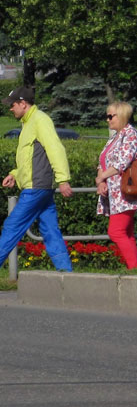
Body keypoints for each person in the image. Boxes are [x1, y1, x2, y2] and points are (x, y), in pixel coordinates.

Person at [0, 86, 74, 272]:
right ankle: (66, 273)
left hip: (36, 187)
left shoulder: (40, 120)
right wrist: (15, 174)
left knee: (12, 226)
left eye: (13, 105)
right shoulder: (28, 122)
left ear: (23, 104)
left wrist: (63, 179)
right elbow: (30, 159)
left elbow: (55, 148)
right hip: (39, 186)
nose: (10, 109)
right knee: (50, 230)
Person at [95, 101, 137, 269]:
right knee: (127, 233)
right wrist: (101, 179)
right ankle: (135, 269)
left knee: (116, 231)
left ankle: (134, 268)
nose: (108, 120)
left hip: (126, 191)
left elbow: (122, 162)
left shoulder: (130, 134)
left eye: (111, 116)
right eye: (107, 116)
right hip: (116, 193)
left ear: (123, 115)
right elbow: (102, 161)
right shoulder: (115, 137)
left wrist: (102, 176)